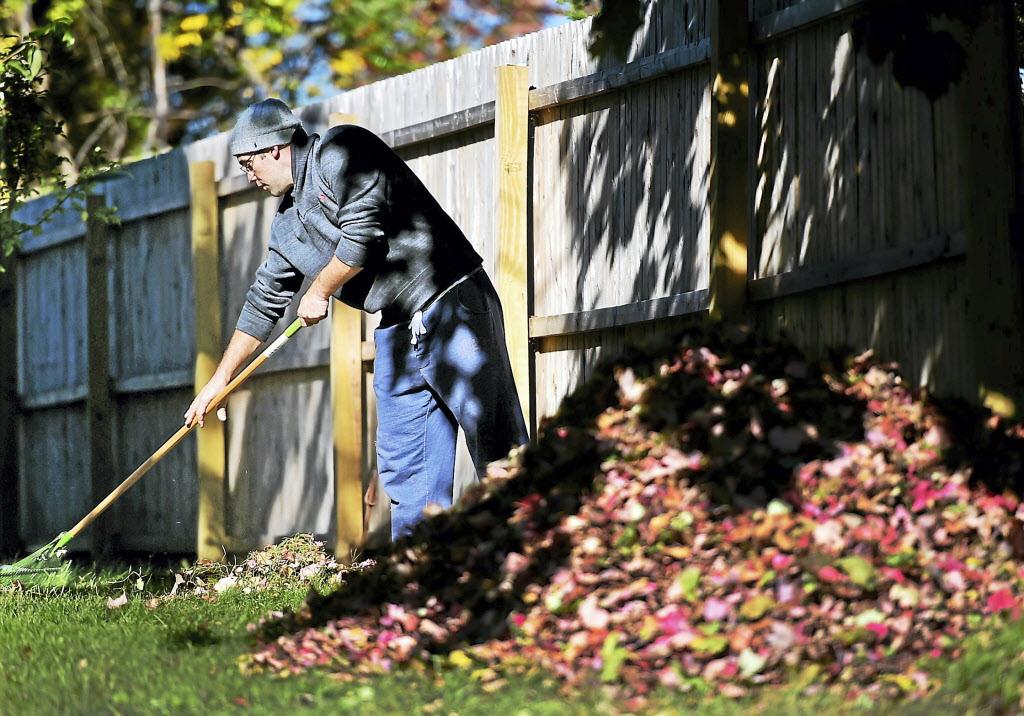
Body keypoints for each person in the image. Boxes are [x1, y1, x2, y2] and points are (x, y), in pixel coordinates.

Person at [184, 98, 529, 540]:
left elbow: (363, 234)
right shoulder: (287, 224)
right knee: (407, 466)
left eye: (249, 162)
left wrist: (320, 289)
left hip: (449, 300)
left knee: (496, 442)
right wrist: (220, 381)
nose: (247, 174)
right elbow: (262, 300)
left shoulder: (343, 150)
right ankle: (418, 575)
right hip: (398, 326)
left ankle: (531, 553)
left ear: (274, 148)